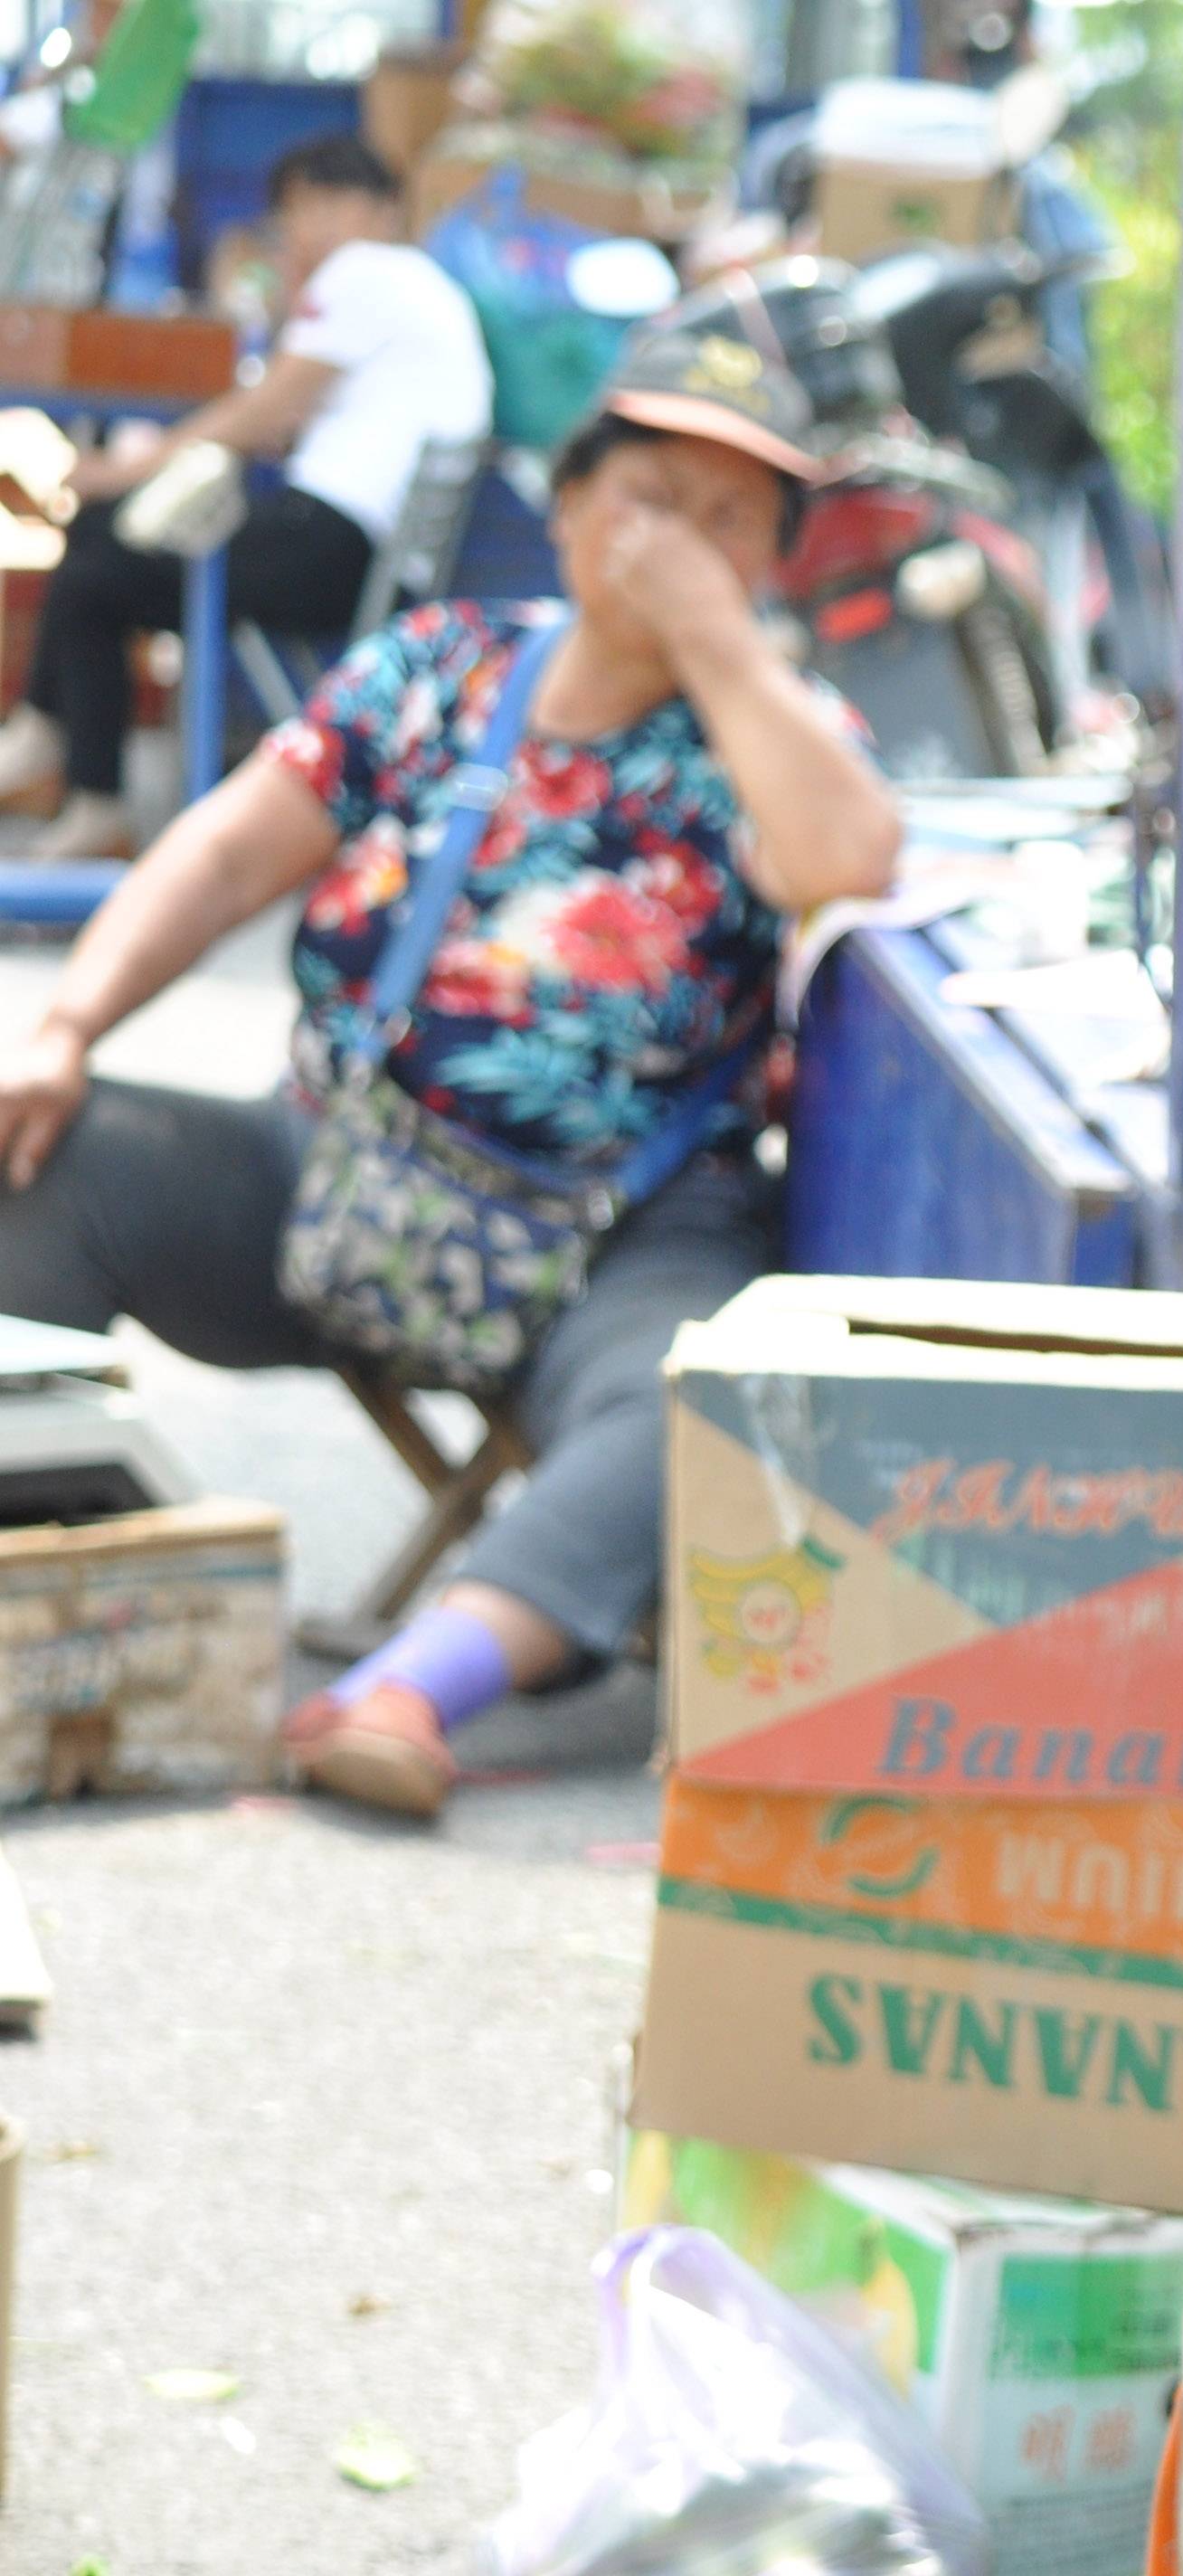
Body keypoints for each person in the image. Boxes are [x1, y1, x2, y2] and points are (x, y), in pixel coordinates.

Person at [0, 329, 900, 1818]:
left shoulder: (779, 734)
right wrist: (65, 1025)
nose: (680, 537)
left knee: (714, 1390)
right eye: (652, 493)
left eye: (731, 519)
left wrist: (720, 642)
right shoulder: (440, 665)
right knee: (49, 1155)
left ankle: (421, 1685)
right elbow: (228, 849)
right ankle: (44, 1580)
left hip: (617, 1230)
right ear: (569, 503)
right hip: (342, 1171)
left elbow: (846, 860)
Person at [0, 132, 491, 859]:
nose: (289, 233)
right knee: (107, 541)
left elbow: (259, 412)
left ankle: (78, 776)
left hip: (325, 547)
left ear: (331, 206)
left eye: (291, 214)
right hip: (356, 554)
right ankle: (59, 752)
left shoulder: (364, 272)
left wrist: (118, 472)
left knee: (101, 559)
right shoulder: (414, 285)